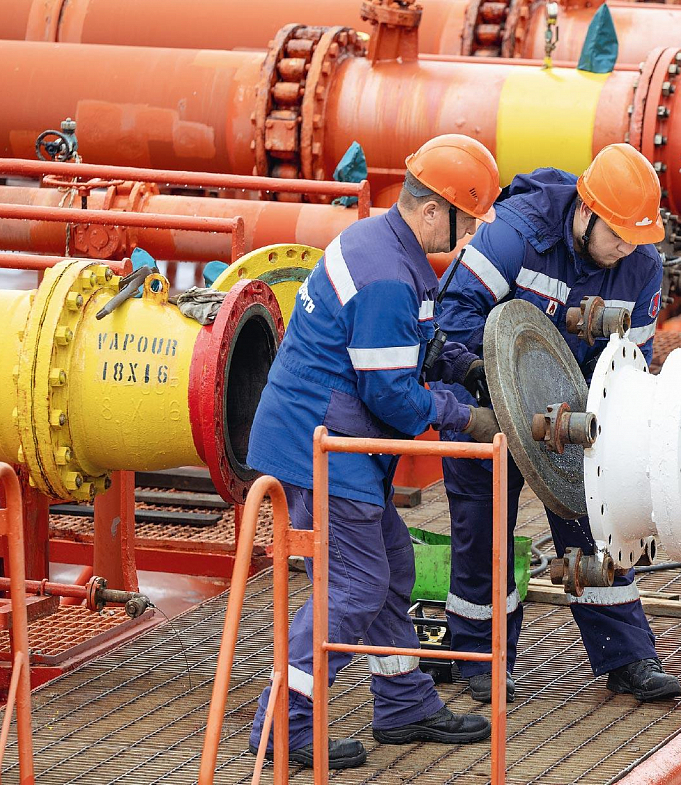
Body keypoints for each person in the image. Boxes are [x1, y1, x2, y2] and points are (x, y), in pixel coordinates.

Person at [245, 134, 504, 770]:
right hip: (322, 447)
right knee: (356, 586)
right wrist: (462, 415)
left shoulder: (384, 245)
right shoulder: (389, 273)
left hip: (330, 438)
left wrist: (464, 366)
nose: (473, 234)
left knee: (389, 562)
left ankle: (403, 703)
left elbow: (414, 345)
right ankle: (283, 726)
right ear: (433, 211)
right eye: (469, 220)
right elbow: (389, 392)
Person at [434, 143, 680, 705]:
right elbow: (452, 316)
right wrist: (490, 376)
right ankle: (481, 658)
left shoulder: (642, 267)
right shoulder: (513, 235)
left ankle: (626, 657)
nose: (624, 248)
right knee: (483, 531)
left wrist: (605, 430)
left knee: (597, 522)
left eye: (635, 238)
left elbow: (629, 367)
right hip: (486, 402)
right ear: (585, 211)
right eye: (616, 234)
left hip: (576, 410)